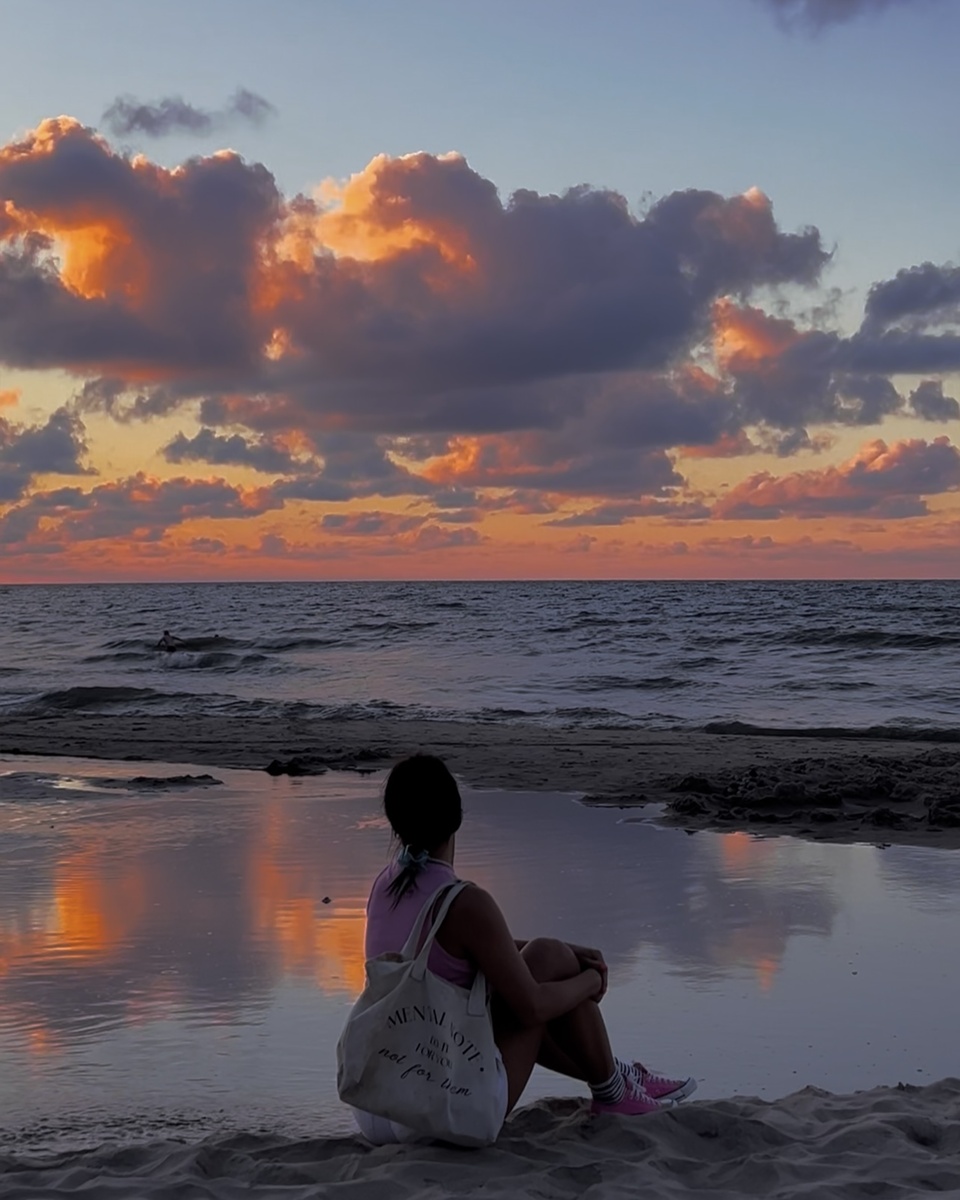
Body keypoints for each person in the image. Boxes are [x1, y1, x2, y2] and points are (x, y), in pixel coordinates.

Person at [351, 753, 696, 1145]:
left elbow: (452, 950)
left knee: (546, 957)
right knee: (548, 963)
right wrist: (588, 980)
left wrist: (565, 951)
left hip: (378, 1104)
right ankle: (614, 1088)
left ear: (394, 820)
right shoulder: (465, 902)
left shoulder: (384, 884)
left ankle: (615, 1079)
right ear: (457, 816)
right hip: (441, 1109)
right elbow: (531, 1007)